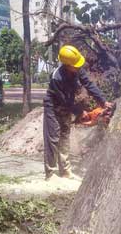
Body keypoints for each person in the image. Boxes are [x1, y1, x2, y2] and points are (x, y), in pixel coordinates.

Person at [43, 45, 113, 180]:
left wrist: (103, 101)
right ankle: (50, 173)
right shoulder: (57, 77)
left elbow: (89, 84)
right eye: (75, 65)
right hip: (53, 106)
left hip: (66, 104)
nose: (77, 67)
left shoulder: (77, 69)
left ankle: (65, 171)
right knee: (53, 137)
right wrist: (80, 112)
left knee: (64, 135)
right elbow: (64, 101)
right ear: (67, 65)